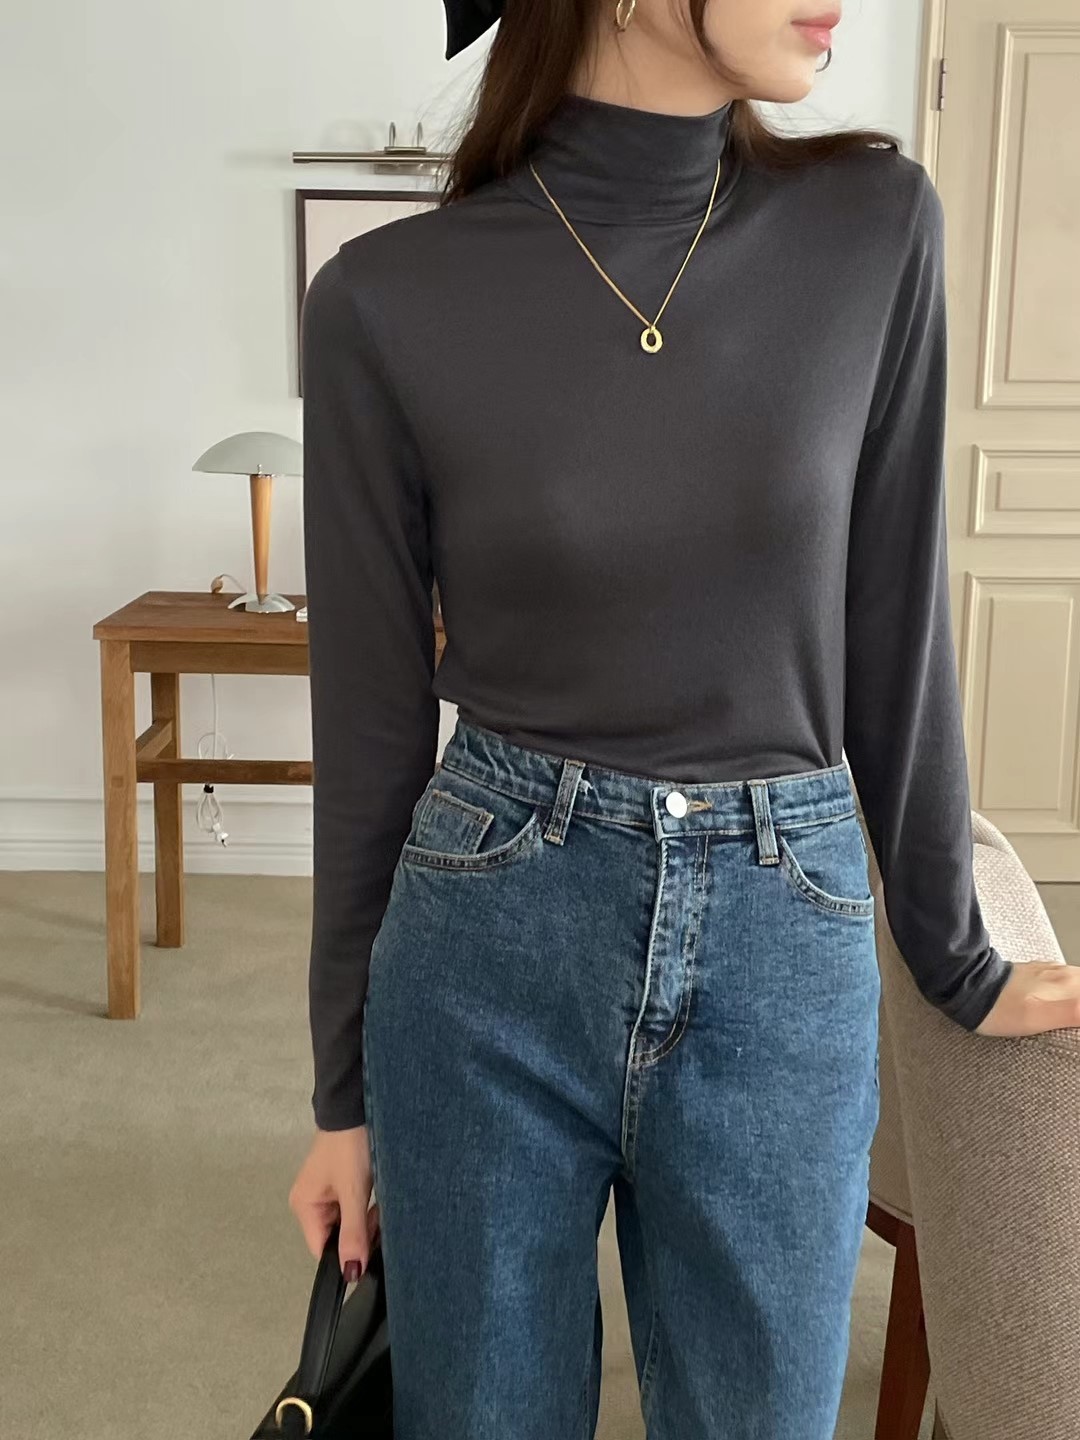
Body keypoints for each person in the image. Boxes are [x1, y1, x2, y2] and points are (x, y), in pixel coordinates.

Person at [289, 1, 1080, 1435]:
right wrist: (341, 1097)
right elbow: (369, 738)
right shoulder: (385, 300)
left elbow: (897, 622)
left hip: (787, 937)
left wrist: (954, 954)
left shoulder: (874, 227)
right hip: (485, 942)